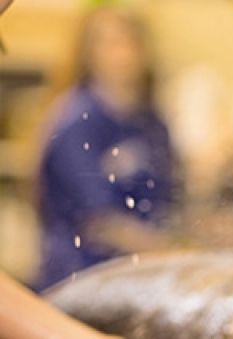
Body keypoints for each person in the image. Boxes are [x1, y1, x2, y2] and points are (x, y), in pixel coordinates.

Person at [35, 6, 176, 291]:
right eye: (110, 43)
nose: (122, 54)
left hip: (137, 279)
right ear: (88, 54)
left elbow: (171, 199)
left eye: (129, 41)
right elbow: (101, 223)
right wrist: (173, 253)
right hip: (80, 282)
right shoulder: (75, 124)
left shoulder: (151, 122)